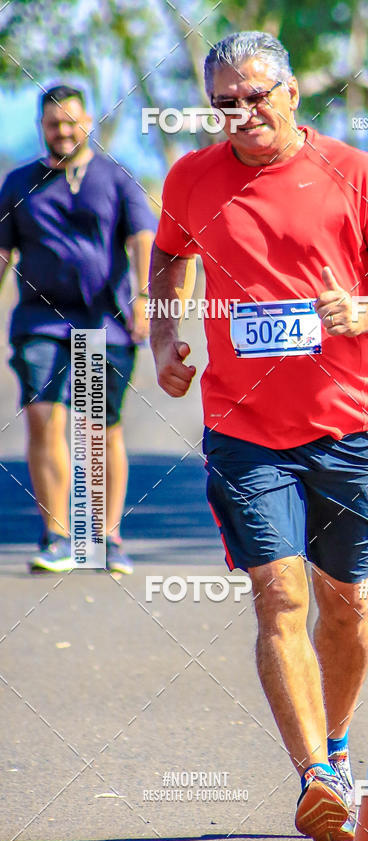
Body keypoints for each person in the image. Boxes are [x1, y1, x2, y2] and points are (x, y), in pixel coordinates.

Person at [149, 31, 368, 841]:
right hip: (243, 429)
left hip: (350, 425)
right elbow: (169, 261)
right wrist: (166, 336)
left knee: (344, 609)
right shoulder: (191, 177)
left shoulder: (355, 172)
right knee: (279, 597)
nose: (242, 115)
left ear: (291, 90)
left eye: (254, 96)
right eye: (224, 104)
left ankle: (336, 743)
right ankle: (315, 775)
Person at [0, 85, 156, 574]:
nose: (63, 131)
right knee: (43, 417)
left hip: (100, 325)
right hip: (40, 321)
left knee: (97, 428)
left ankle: (106, 536)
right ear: (41, 127)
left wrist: (144, 299)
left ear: (87, 121)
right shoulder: (19, 183)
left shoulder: (114, 177)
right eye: (52, 123)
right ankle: (57, 535)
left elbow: (141, 237)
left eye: (71, 121)